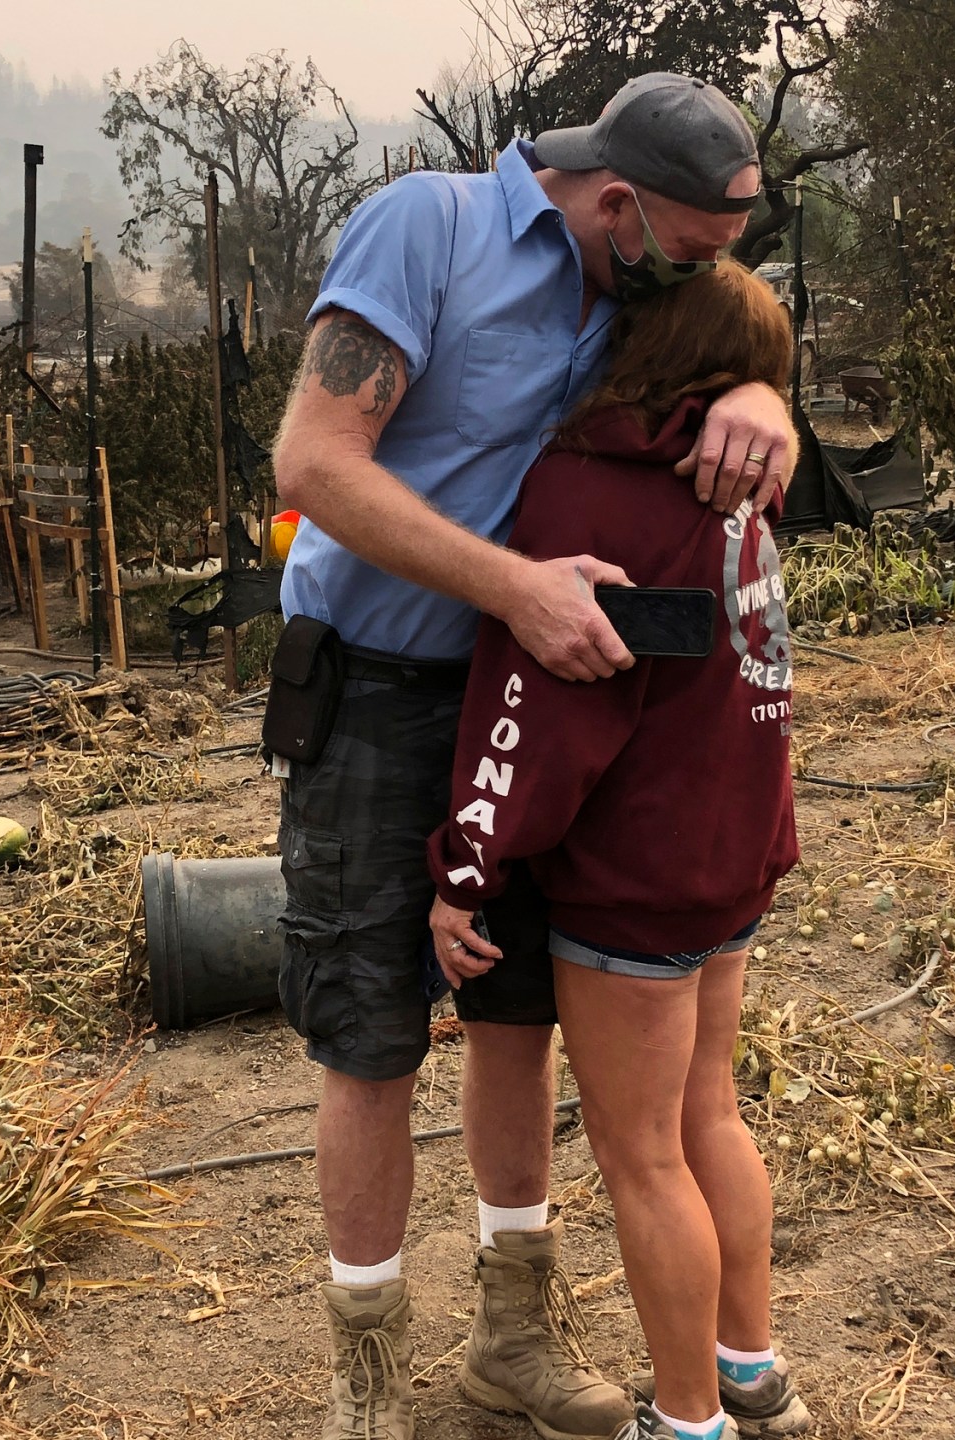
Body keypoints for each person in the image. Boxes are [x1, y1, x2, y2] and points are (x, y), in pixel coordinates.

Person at [268, 73, 798, 1440]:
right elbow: (314, 464)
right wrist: (512, 585)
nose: (689, 278)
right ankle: (366, 1381)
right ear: (615, 205)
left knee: (515, 1023)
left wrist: (764, 393)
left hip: (538, 702)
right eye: (684, 252)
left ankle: (514, 1337)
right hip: (383, 693)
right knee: (373, 1037)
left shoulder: (623, 294)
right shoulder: (425, 228)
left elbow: (705, 345)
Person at [426, 261, 805, 1440]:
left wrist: (462, 869)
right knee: (710, 1117)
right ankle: (752, 1372)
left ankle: (684, 1423)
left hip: (635, 877)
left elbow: (531, 722)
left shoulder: (586, 498)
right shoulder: (742, 487)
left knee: (642, 1160)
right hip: (733, 852)